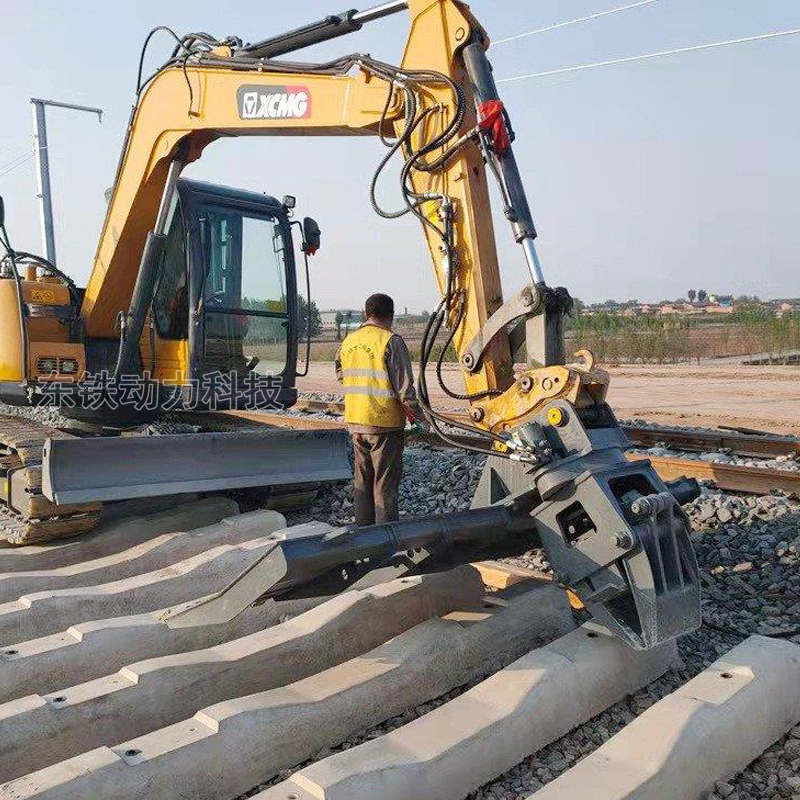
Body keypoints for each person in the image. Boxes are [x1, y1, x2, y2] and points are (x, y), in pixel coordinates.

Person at [335, 293, 425, 526]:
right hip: (384, 424)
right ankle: (385, 538)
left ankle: (364, 534)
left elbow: (340, 373)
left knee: (362, 481)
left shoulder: (349, 341)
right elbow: (405, 389)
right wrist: (419, 417)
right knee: (384, 484)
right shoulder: (390, 340)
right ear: (391, 315)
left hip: (356, 421)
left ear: (367, 314)